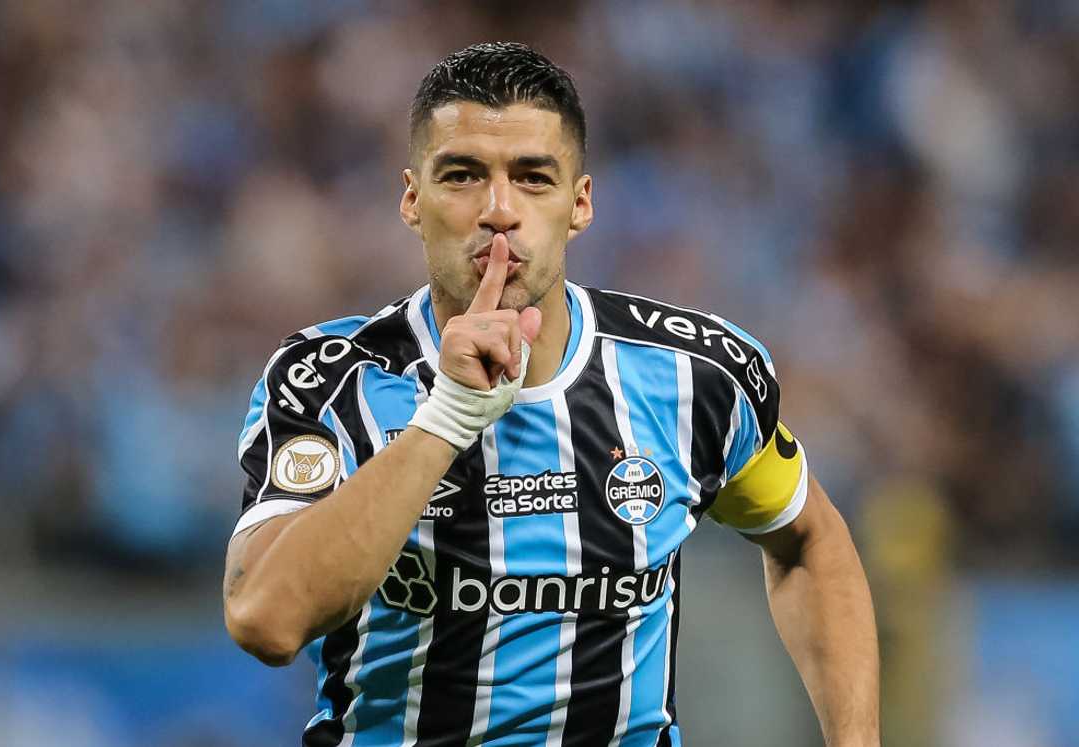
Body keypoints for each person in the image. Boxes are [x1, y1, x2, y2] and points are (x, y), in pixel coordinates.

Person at [223, 42, 880, 747]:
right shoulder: (331, 379)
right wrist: (444, 418)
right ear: (412, 199)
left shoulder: (694, 374)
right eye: (463, 175)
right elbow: (266, 617)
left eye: (533, 178)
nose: (499, 209)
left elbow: (809, 537)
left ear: (581, 202)